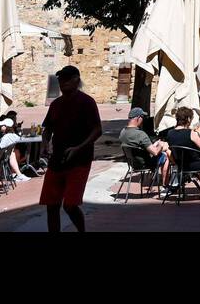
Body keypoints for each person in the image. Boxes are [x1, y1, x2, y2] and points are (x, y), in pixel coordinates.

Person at [40, 65, 103, 232]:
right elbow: (47, 129)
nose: (63, 82)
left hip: (79, 160)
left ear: (77, 80)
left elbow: (98, 130)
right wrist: (45, 143)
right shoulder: (55, 104)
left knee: (70, 204)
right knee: (51, 205)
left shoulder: (87, 102)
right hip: (57, 160)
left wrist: (79, 147)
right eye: (60, 79)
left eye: (67, 79)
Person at [118, 107, 171, 190]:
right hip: (145, 163)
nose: (143, 120)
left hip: (133, 163)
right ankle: (165, 185)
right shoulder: (140, 134)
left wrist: (154, 144)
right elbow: (155, 153)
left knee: (160, 150)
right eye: (143, 117)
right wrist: (161, 144)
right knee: (166, 156)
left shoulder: (123, 132)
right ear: (138, 118)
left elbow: (138, 146)